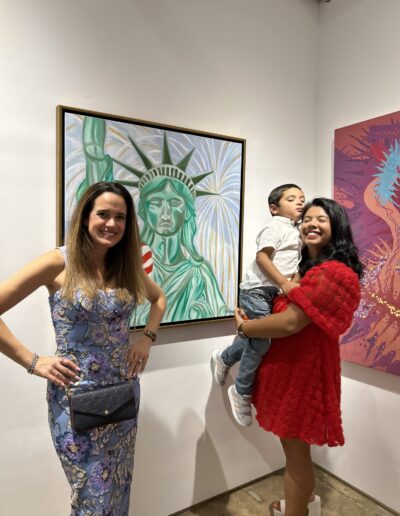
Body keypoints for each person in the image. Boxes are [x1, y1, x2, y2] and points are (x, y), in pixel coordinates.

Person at [0, 182, 166, 515]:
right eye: (103, 214)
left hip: (122, 393)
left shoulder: (125, 264)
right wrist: (32, 361)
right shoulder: (58, 262)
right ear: (86, 216)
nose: (112, 223)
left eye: (121, 217)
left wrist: (146, 338)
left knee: (118, 487)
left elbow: (158, 298)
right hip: (75, 398)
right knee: (92, 497)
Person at [233, 198, 362, 516]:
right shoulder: (308, 270)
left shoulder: (331, 273)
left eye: (321, 219)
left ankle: (296, 510)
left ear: (337, 227)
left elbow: (291, 323)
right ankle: (306, 503)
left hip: (303, 373)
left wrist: (246, 327)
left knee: (296, 457)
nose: (311, 224)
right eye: (306, 219)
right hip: (292, 370)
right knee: (297, 452)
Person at [211, 184, 305, 426]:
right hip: (257, 290)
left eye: (301, 199)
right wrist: (284, 283)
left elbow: (294, 265)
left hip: (271, 292)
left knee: (256, 338)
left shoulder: (297, 232)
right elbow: (262, 257)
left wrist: (292, 283)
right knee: (262, 340)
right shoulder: (275, 227)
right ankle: (241, 390)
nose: (299, 202)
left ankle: (224, 358)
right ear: (274, 208)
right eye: (291, 198)